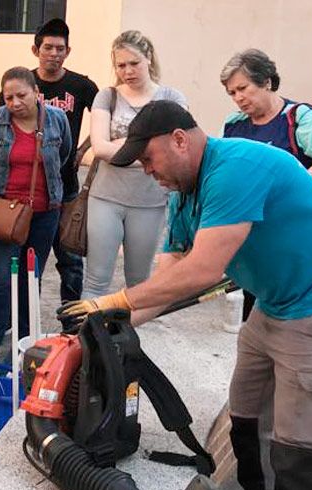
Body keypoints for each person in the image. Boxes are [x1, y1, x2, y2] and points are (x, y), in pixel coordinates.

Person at [58, 101, 312, 490]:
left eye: (149, 159)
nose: (148, 172)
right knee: (245, 409)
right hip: (275, 301)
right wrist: (104, 332)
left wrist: (113, 301)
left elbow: (203, 271)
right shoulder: (184, 194)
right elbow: (169, 281)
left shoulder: (237, 167)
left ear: (179, 140)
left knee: (302, 439)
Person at [219, 49, 312, 320]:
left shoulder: (301, 118)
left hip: (299, 236)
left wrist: (284, 191)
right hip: (257, 237)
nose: (238, 98)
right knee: (255, 311)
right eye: (232, 93)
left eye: (243, 88)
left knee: (295, 312)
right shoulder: (234, 126)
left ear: (266, 81)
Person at [0, 18, 98, 303]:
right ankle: (25, 323)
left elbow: (103, 119)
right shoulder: (22, 83)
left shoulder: (81, 85)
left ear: (68, 51)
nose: (54, 53)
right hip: (23, 194)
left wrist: (81, 149)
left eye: (60, 48)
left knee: (71, 259)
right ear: (35, 49)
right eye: (48, 47)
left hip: (66, 188)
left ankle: (71, 321)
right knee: (28, 265)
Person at [83, 31, 186, 299]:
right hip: (105, 197)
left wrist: (123, 146)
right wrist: (149, 143)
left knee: (139, 282)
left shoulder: (172, 98)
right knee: (95, 280)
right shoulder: (107, 96)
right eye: (121, 65)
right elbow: (101, 148)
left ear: (149, 58)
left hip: (150, 202)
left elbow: (175, 149)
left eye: (134, 63)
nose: (127, 71)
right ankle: (86, 338)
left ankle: (134, 338)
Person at [0, 67, 71, 363]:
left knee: (32, 278)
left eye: (21, 95)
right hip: (6, 213)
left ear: (35, 93)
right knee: (3, 278)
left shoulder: (56, 119)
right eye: (9, 97)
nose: (15, 102)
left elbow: (63, 155)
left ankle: (24, 344)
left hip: (46, 213)